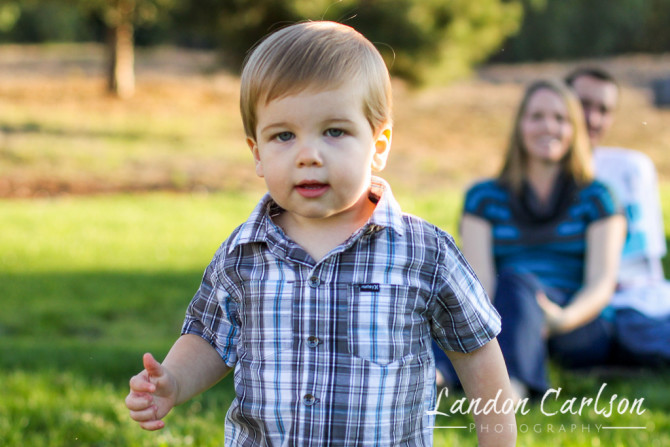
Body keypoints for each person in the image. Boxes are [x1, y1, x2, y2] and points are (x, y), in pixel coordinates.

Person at [124, 21, 516, 446]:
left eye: (334, 131)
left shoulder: (424, 254)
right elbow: (209, 337)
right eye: (284, 136)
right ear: (256, 153)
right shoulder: (243, 254)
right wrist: (175, 381)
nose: (308, 155)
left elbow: (477, 356)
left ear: (378, 144)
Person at [457, 79, 627, 397]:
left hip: (577, 326)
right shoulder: (482, 198)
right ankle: (443, 377)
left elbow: (601, 284)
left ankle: (511, 393)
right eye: (536, 116)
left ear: (574, 129)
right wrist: (516, 321)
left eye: (560, 118)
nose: (548, 126)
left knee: (517, 282)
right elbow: (481, 287)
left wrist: (562, 319)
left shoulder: (599, 197)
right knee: (512, 284)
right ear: (520, 126)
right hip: (506, 312)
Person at [566, 67, 670, 364]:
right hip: (600, 310)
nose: (593, 119)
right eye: (584, 104)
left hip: (643, 300)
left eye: (604, 110)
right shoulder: (540, 181)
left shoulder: (631, 168)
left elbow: (646, 265)